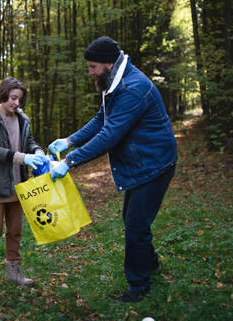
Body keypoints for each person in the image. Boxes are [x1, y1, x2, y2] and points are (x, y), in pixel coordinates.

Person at [49, 37, 177, 302]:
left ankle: (138, 286)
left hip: (155, 163)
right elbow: (101, 119)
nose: (90, 72)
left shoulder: (132, 88)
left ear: (109, 63)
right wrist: (70, 140)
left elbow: (110, 135)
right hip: (143, 161)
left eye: (93, 67)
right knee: (134, 221)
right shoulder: (115, 82)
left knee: (135, 225)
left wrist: (69, 162)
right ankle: (150, 262)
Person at [0, 77, 45, 289]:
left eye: (20, 100)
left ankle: (14, 273)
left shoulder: (22, 119)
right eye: (13, 98)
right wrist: (24, 158)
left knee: (15, 229)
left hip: (18, 182)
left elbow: (28, 142)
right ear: (3, 95)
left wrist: (36, 150)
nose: (16, 104)